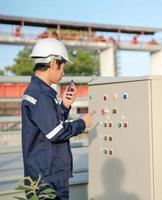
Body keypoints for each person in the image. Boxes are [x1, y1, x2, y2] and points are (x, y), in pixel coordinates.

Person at [21, 38, 94, 199]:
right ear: (54, 63)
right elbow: (55, 133)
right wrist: (82, 123)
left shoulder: (38, 91)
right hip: (48, 177)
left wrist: (64, 106)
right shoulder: (41, 94)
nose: (63, 72)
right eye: (63, 66)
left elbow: (47, 125)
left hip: (42, 172)